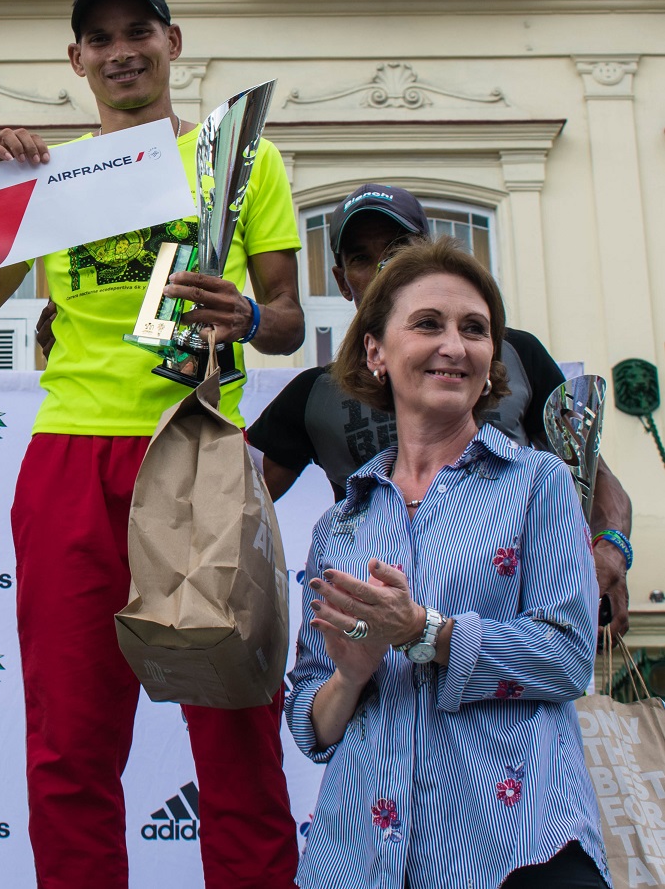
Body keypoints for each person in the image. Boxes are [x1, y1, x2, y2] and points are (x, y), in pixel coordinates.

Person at [0, 0, 305, 889]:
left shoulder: (239, 159)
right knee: (70, 741)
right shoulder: (45, 174)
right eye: (98, 39)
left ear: (172, 44)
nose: (120, 51)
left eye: (137, 30)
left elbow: (290, 317)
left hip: (194, 448)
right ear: (75, 61)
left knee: (233, 725)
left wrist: (247, 320)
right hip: (68, 454)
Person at [288, 237, 606, 889]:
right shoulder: (340, 525)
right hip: (358, 860)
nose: (453, 345)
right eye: (427, 323)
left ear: (491, 359)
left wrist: (423, 631)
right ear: (375, 350)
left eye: (474, 329)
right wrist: (349, 675)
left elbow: (569, 653)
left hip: (516, 847)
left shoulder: (537, 482)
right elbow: (310, 722)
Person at [247, 183, 633, 637]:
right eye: (362, 258)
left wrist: (610, 548)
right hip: (377, 648)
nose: (384, 267)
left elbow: (594, 473)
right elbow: (233, 506)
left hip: (513, 637)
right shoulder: (315, 396)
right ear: (341, 280)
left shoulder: (515, 356)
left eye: (398, 248)